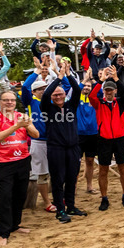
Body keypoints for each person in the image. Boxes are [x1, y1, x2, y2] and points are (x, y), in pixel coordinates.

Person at [0, 90, 39, 245]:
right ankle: (3, 233)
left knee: (20, 195)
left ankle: (15, 225)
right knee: (4, 198)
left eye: (12, 100)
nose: (9, 103)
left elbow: (36, 134)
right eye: (6, 100)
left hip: (22, 160)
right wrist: (17, 126)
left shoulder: (23, 117)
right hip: (2, 163)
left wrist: (28, 126)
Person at [41, 61, 85, 223]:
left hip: (73, 147)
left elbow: (78, 89)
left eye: (60, 94)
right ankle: (60, 210)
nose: (58, 97)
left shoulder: (71, 106)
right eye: (55, 95)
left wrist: (68, 74)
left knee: (72, 178)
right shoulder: (47, 107)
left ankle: (71, 206)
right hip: (56, 149)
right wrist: (58, 78)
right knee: (58, 180)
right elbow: (46, 95)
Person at [89, 67, 124, 211]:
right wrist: (101, 80)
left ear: (115, 91)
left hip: (119, 138)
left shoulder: (119, 103)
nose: (108, 92)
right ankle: (104, 198)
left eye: (111, 90)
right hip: (104, 139)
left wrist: (116, 79)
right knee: (103, 170)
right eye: (106, 90)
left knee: (123, 169)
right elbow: (91, 96)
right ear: (103, 91)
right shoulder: (99, 103)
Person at [21, 69, 53, 213]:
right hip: (38, 141)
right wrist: (36, 72)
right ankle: (47, 202)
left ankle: (57, 198)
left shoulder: (52, 101)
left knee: (56, 172)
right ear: (34, 92)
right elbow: (24, 87)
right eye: (39, 89)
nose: (43, 91)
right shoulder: (30, 101)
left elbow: (65, 87)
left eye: (45, 88)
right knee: (42, 174)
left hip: (53, 141)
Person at [76, 71, 100, 195]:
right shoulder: (76, 98)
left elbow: (100, 91)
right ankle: (73, 186)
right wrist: (84, 80)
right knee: (76, 162)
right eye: (84, 86)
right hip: (79, 135)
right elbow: (76, 90)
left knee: (90, 161)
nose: (86, 88)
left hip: (92, 134)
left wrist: (94, 80)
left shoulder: (94, 99)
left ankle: (89, 186)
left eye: (88, 86)